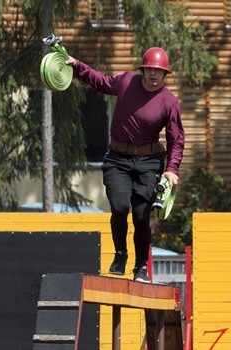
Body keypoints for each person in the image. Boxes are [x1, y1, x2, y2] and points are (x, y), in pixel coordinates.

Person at [66, 47, 185, 283]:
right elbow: (98, 81)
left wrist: (171, 169)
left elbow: (176, 139)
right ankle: (120, 255)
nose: (153, 74)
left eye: (158, 71)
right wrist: (76, 65)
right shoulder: (126, 81)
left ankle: (141, 266)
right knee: (120, 207)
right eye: (149, 69)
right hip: (117, 160)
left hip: (149, 164)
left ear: (165, 74)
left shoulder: (170, 102)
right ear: (143, 69)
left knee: (141, 216)